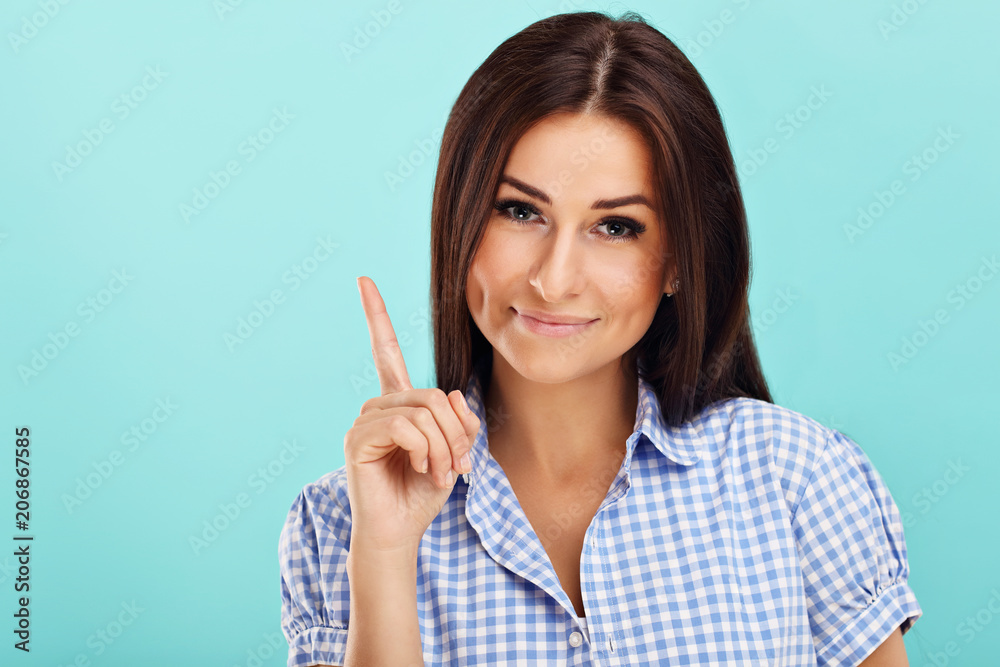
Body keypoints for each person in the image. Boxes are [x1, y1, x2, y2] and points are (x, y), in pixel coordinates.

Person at [278, 10, 922, 666]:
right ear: (460, 219)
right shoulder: (345, 521)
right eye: (520, 211)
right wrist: (385, 553)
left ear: (678, 260)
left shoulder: (798, 479)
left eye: (615, 227)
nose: (554, 280)